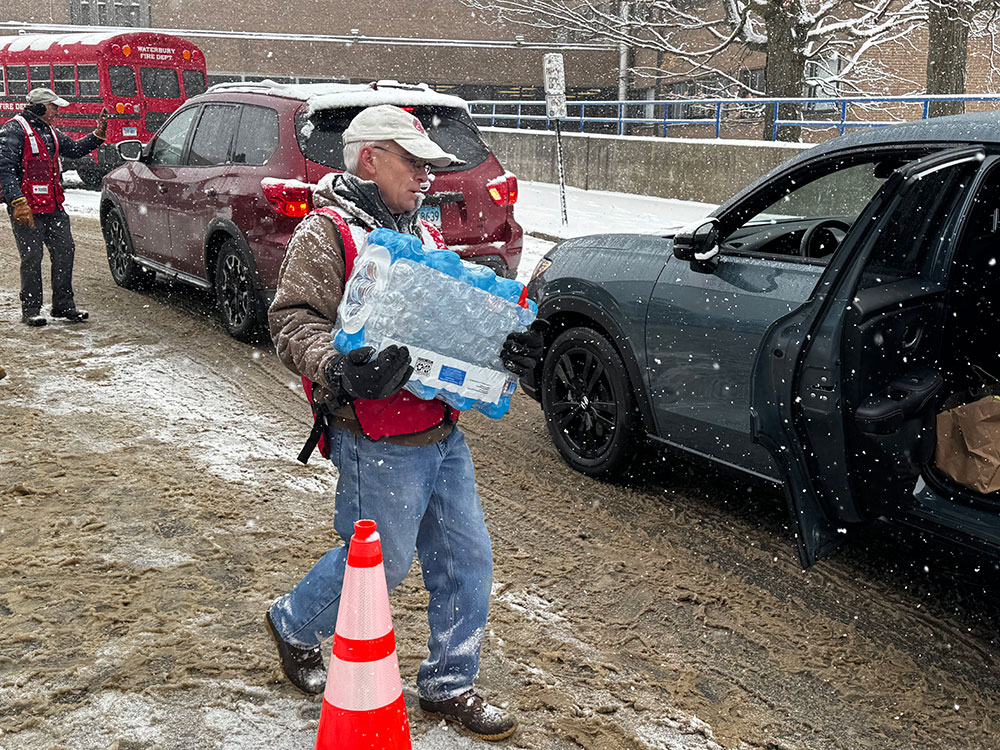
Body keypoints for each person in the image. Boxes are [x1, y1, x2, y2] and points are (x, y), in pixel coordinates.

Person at [266, 104, 544, 742]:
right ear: (370, 158)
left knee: (466, 559)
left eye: (429, 166)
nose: (426, 176)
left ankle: (449, 684)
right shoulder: (326, 233)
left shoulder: (420, 235)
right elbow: (290, 322)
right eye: (414, 163)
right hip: (376, 436)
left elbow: (452, 319)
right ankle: (293, 623)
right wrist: (339, 367)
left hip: (442, 430)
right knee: (380, 565)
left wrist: (508, 348)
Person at [0, 87, 108, 326]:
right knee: (32, 256)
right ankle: (31, 309)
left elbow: (75, 149)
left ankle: (63, 306)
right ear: (39, 108)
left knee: (64, 251)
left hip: (53, 206)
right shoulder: (13, 130)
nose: (57, 111)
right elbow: (5, 170)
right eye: (53, 107)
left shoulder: (50, 131)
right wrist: (17, 201)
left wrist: (97, 136)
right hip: (26, 207)